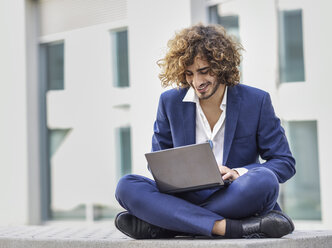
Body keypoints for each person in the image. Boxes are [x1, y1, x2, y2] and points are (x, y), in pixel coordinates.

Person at [114, 24, 296, 239]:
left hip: (235, 194)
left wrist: (238, 173)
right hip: (184, 197)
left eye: (204, 71)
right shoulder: (169, 102)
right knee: (127, 186)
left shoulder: (256, 101)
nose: (197, 82)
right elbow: (158, 162)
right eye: (189, 74)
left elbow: (284, 163)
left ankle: (169, 225)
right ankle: (229, 228)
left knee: (264, 180)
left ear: (222, 65)